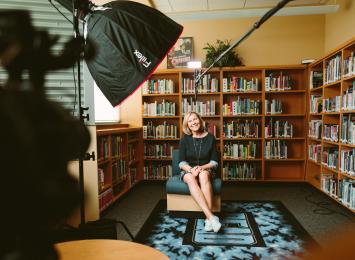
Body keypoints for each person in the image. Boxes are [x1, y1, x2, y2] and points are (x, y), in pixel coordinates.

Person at [179, 111, 222, 232]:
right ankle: (211, 217)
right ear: (187, 125)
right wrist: (192, 170)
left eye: (195, 119)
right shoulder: (184, 140)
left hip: (206, 168)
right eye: (190, 121)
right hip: (189, 170)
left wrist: (201, 168)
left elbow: (214, 162)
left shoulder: (210, 137)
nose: (193, 123)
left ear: (200, 120)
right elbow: (181, 162)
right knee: (189, 178)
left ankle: (208, 219)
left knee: (203, 175)